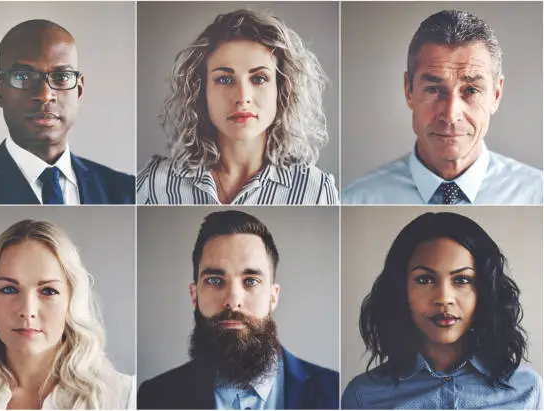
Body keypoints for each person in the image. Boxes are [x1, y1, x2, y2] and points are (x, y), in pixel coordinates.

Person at [138, 210, 339, 409]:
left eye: (250, 281)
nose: (233, 301)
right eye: (215, 280)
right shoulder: (153, 398)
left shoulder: (335, 393)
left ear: (273, 296)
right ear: (194, 294)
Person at [341, 212, 543, 409]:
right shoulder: (363, 396)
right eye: (425, 280)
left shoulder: (529, 389)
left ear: (484, 290)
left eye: (462, 280)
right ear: (401, 289)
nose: (444, 298)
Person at [137, 9, 338, 205]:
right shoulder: (154, 184)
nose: (242, 98)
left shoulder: (316, 190)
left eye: (259, 78)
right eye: (224, 79)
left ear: (282, 89)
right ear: (201, 90)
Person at [342, 10, 543, 204]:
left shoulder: (537, 194)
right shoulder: (356, 198)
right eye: (433, 89)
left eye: (472, 90)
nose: (450, 115)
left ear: (496, 95)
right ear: (408, 90)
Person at [0, 220, 135, 409]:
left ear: (71, 300)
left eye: (48, 291)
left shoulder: (124, 397)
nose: (27, 311)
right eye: (10, 289)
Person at [0, 19, 135, 204]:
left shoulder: (127, 192)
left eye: (62, 76)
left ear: (79, 90)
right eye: (23, 76)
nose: (45, 95)